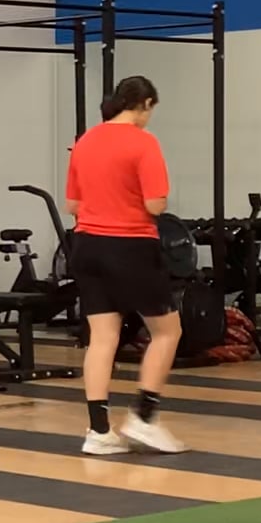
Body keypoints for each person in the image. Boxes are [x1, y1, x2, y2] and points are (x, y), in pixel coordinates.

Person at [64, 76, 186, 456]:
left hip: (87, 246)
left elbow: (73, 205)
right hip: (131, 246)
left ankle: (98, 432)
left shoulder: (86, 140)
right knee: (167, 331)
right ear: (146, 104)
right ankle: (144, 417)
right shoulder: (143, 142)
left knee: (102, 338)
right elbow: (155, 204)